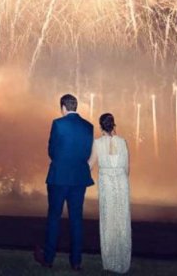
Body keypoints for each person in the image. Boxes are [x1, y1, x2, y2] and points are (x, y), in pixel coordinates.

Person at [35, 94, 94, 271]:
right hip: (79, 178)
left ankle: (48, 259)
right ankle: (76, 262)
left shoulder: (58, 124)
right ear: (76, 106)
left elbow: (52, 150)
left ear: (63, 107)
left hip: (59, 177)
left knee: (54, 217)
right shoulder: (88, 126)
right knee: (76, 220)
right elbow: (86, 152)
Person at [89, 113, 131, 273]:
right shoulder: (123, 142)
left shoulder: (98, 143)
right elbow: (127, 168)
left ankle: (110, 262)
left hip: (106, 183)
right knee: (122, 219)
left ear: (100, 126)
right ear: (114, 125)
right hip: (121, 182)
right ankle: (122, 261)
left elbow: (90, 164)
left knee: (108, 219)